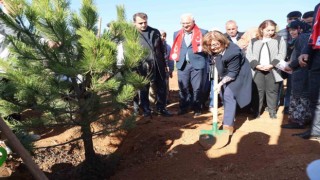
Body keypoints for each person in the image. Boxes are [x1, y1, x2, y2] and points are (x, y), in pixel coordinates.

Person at [202, 31, 252, 134]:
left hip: (239, 74)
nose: (213, 48)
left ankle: (228, 126)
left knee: (229, 94)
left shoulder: (233, 52)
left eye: (216, 44)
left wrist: (219, 84)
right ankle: (230, 116)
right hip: (226, 72)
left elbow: (233, 73)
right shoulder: (212, 50)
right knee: (223, 94)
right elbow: (215, 60)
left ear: (222, 42)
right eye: (210, 45)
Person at [132, 12, 172, 117]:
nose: (143, 25)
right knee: (144, 88)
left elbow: (162, 50)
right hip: (142, 65)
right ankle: (146, 110)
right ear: (134, 23)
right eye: (140, 23)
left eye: (145, 22)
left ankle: (161, 108)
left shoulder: (155, 32)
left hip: (158, 64)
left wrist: (165, 64)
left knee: (162, 86)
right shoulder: (131, 34)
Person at [246, 20, 287, 119]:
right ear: (262, 29)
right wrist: (256, 65)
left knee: (272, 91)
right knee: (257, 91)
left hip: (273, 70)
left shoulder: (279, 39)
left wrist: (272, 65)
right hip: (257, 70)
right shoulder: (254, 40)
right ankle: (256, 112)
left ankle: (272, 111)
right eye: (268, 30)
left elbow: (282, 53)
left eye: (272, 30)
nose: (270, 32)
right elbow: (249, 54)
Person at [170, 13, 208, 116]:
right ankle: (183, 108)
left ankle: (197, 108)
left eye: (187, 23)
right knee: (183, 87)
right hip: (182, 64)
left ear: (193, 22)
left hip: (198, 63)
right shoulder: (176, 34)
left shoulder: (203, 32)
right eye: (183, 23)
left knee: (197, 88)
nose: (185, 25)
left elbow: (207, 48)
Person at [294, 3, 320, 140]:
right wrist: (305, 51)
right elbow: (315, 32)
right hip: (316, 57)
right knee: (314, 96)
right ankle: (315, 131)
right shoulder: (318, 7)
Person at [281, 20, 312, 129]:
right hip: (306, 72)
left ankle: (298, 121)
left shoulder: (302, 37)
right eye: (290, 31)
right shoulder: (308, 36)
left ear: (300, 28)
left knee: (300, 97)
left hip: (301, 72)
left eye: (294, 30)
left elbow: (303, 56)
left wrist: (291, 65)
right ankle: (305, 119)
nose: (291, 33)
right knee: (304, 96)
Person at [278, 11, 302, 114]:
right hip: (281, 64)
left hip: (295, 64)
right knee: (277, 84)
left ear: (300, 19)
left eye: (296, 18)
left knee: (291, 86)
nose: (293, 20)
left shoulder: (303, 33)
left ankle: (288, 106)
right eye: (290, 18)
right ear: (287, 20)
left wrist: (292, 62)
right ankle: (277, 103)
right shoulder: (280, 33)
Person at [160, 30, 174, 104]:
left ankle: (165, 100)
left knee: (165, 85)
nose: (162, 37)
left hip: (165, 70)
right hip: (156, 70)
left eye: (164, 36)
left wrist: (171, 70)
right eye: (161, 35)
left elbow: (171, 59)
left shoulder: (168, 47)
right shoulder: (153, 46)